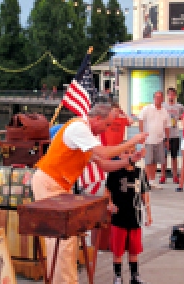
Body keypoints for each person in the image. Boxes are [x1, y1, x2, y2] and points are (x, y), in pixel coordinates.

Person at [31, 103, 148, 284]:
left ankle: (64, 280)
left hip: (61, 185)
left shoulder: (87, 134)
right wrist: (132, 141)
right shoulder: (79, 127)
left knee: (65, 240)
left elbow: (103, 164)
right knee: (62, 240)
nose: (106, 130)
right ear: (97, 119)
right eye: (107, 125)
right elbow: (104, 152)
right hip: (49, 181)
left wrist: (130, 159)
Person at [105, 145, 152, 284]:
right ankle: (118, 276)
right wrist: (110, 204)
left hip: (135, 216)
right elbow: (107, 192)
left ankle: (135, 275)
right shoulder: (115, 172)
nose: (129, 155)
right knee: (118, 250)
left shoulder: (140, 172)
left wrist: (148, 213)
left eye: (132, 152)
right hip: (119, 216)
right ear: (120, 155)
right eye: (126, 153)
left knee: (134, 249)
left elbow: (144, 194)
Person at [139, 91, 171, 189]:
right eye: (156, 97)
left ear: (162, 99)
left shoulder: (164, 111)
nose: (158, 99)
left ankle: (152, 181)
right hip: (148, 140)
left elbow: (167, 126)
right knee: (148, 162)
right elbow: (140, 120)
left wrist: (167, 140)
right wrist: (142, 135)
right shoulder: (147, 108)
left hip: (160, 140)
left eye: (160, 97)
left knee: (155, 161)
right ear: (153, 98)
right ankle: (147, 182)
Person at [162, 87, 184, 184]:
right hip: (164, 135)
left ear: (175, 96)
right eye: (169, 94)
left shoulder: (179, 106)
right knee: (163, 156)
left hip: (175, 134)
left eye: (173, 94)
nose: (171, 96)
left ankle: (175, 176)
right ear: (167, 95)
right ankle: (163, 176)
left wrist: (181, 117)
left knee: (174, 156)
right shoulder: (163, 106)